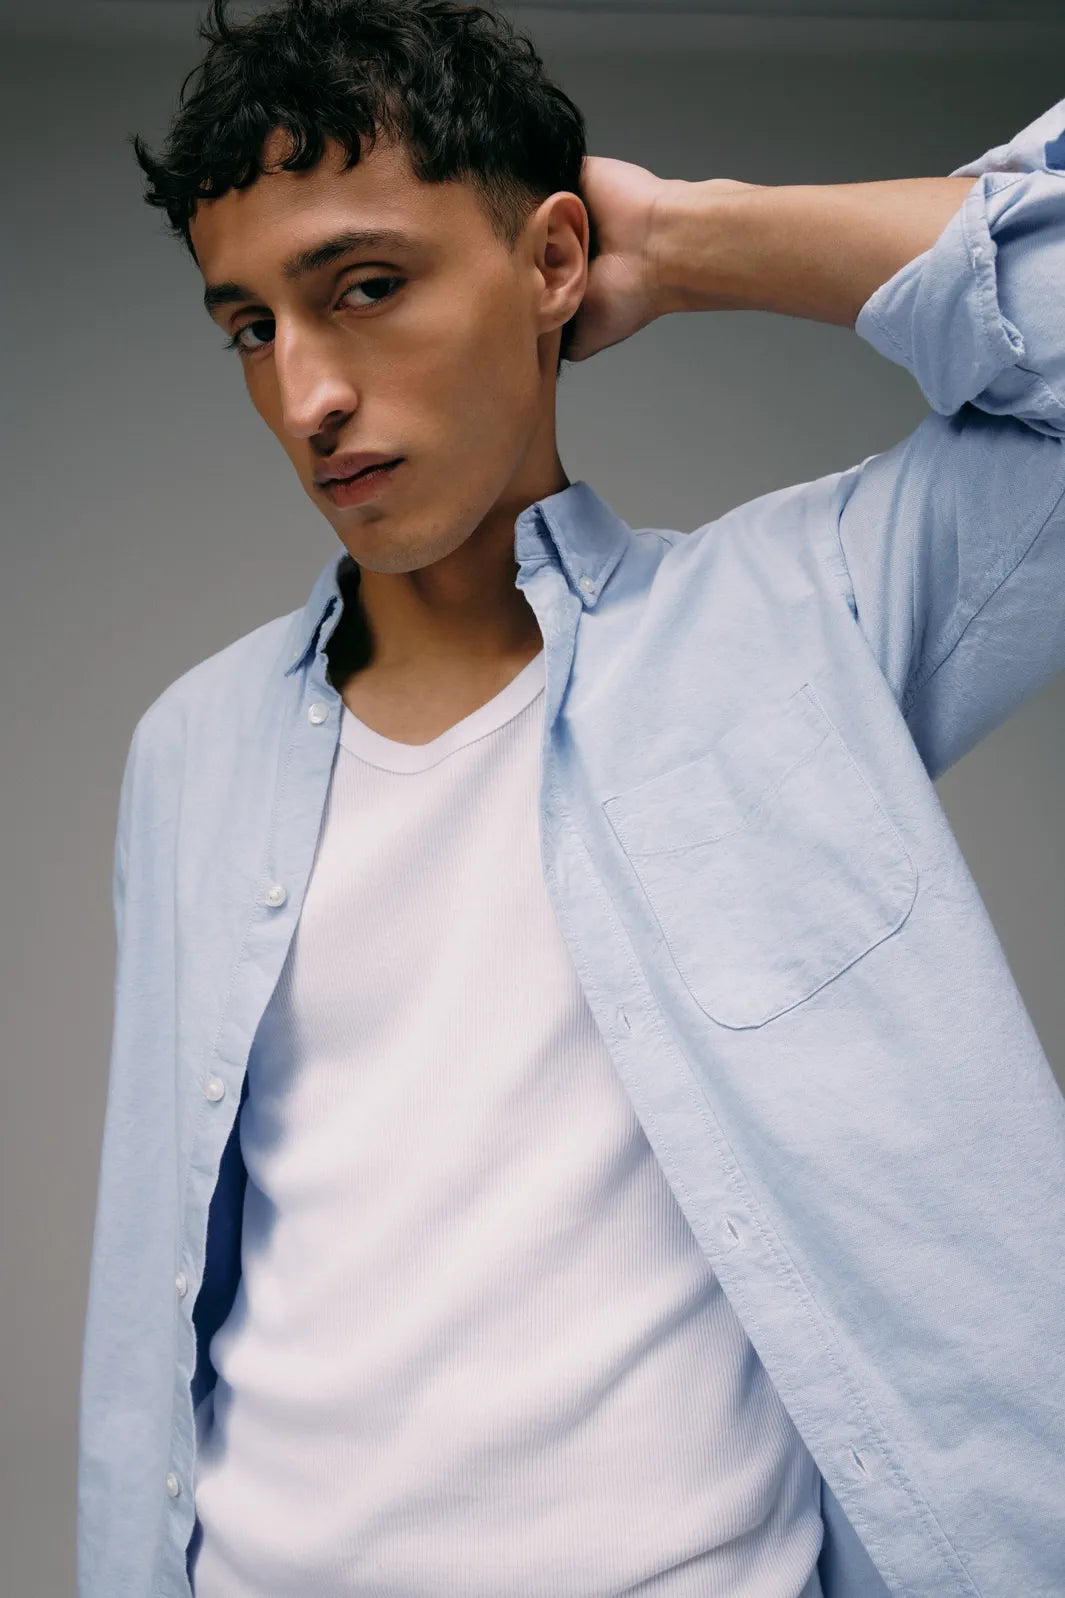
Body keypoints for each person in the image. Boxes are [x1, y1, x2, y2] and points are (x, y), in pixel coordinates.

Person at [77, 1, 1065, 1594]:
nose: (307, 393)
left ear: (549, 261)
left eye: (364, 288)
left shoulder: (799, 616)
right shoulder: (189, 750)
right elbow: (154, 1314)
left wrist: (676, 240)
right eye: (252, 327)